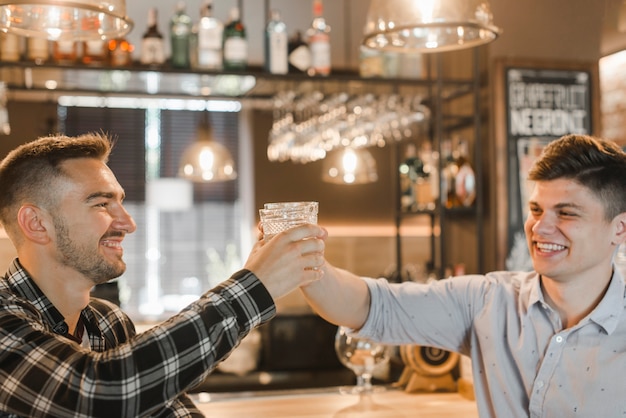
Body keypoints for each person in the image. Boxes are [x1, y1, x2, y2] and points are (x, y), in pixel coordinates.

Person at [0, 133, 326, 417]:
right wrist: (255, 287)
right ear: (36, 224)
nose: (128, 223)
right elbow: (102, 395)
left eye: (121, 203)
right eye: (101, 204)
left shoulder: (109, 322)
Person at [300, 134, 626, 417]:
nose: (540, 227)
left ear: (619, 228)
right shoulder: (487, 301)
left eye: (566, 213)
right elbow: (367, 305)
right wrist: (300, 257)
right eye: (537, 210)